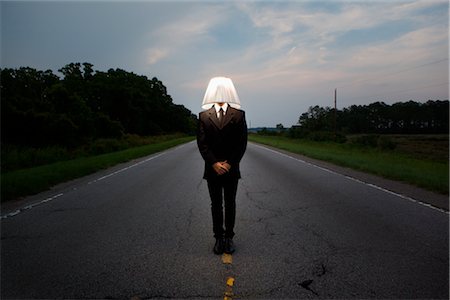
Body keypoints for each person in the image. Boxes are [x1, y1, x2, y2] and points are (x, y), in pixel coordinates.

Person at [197, 77, 247, 255]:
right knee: (216, 204)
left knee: (230, 203)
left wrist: (229, 163)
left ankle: (229, 238)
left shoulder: (239, 114)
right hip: (212, 169)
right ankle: (218, 238)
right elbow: (202, 144)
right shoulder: (204, 116)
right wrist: (214, 163)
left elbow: (241, 143)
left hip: (231, 168)